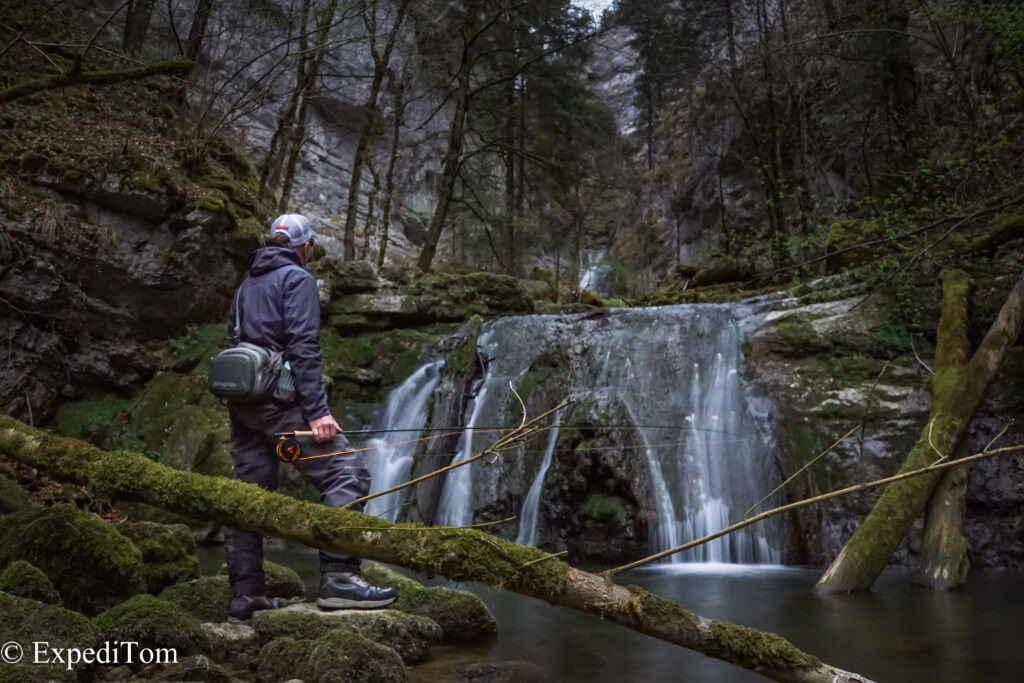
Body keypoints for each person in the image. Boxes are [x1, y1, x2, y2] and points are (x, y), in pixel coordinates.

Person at [223, 213, 397, 622]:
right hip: (282, 406)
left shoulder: (247, 282)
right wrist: (318, 412)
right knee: (347, 475)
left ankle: (246, 595)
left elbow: (233, 340)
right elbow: (303, 346)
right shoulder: (298, 280)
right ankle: (339, 579)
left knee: (249, 496)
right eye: (311, 247)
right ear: (304, 246)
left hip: (245, 404)